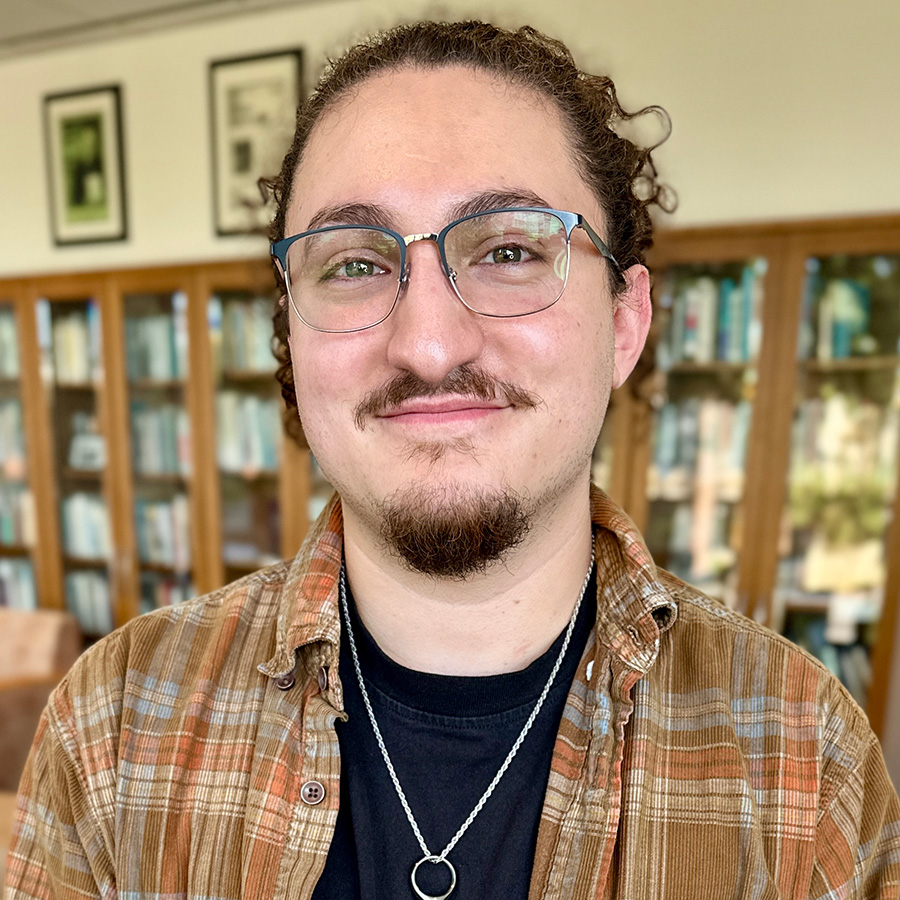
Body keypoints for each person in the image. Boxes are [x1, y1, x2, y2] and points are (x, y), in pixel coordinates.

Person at [6, 20, 899, 900]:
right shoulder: (113, 726)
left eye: (509, 250)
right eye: (355, 264)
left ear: (625, 324)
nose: (429, 345)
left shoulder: (805, 762)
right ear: (291, 334)